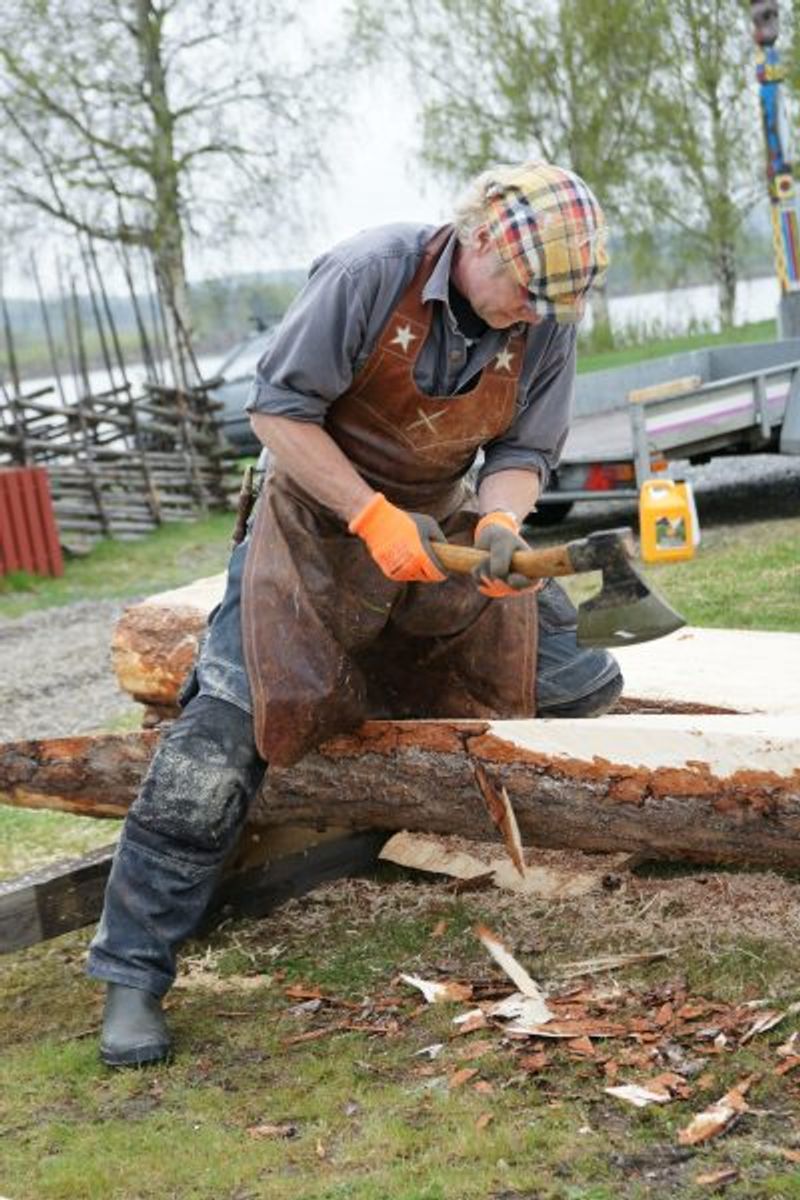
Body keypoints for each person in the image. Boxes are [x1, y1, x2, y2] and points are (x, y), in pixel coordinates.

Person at [88, 160, 623, 1067]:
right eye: (529, 291)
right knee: (220, 734)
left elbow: (526, 445)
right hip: (312, 524)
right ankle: (132, 975)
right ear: (484, 234)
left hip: (440, 527)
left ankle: (389, 699)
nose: (535, 312)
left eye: (552, 302)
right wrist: (366, 514)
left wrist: (499, 519)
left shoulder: (542, 321)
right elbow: (278, 413)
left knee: (578, 679)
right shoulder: (372, 274)